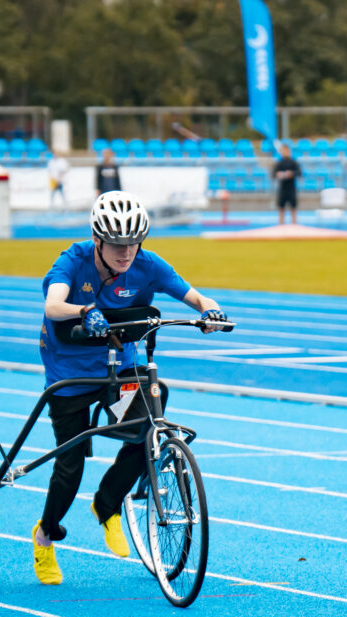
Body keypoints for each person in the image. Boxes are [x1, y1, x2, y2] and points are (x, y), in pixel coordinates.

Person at [32, 190, 229, 585]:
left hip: (119, 367)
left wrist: (209, 310)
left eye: (133, 243)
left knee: (149, 425)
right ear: (97, 239)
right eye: (118, 245)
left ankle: (107, 504)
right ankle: (45, 536)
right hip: (70, 370)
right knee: (69, 468)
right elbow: (53, 307)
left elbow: (192, 294)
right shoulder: (73, 260)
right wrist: (84, 310)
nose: (126, 253)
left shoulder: (147, 265)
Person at [272, 144, 301, 224]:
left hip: (291, 188)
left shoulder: (294, 162)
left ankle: (294, 226)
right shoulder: (279, 163)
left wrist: (291, 173)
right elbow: (273, 174)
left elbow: (299, 173)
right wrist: (279, 174)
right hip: (282, 189)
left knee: (293, 208)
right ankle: (281, 226)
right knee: (281, 209)